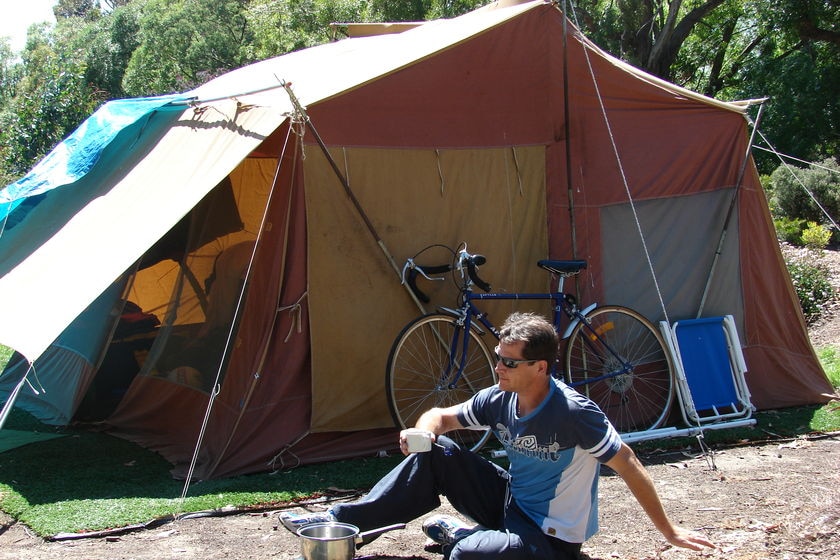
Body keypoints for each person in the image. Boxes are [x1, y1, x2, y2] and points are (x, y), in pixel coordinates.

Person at [281, 312, 715, 559]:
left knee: (466, 559)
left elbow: (630, 465)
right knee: (439, 452)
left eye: (509, 362)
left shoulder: (574, 413)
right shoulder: (499, 396)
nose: (498, 368)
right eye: (497, 358)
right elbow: (441, 415)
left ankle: (463, 536)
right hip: (509, 501)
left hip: (550, 537)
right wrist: (423, 432)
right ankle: (341, 524)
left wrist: (670, 531)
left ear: (540, 367)